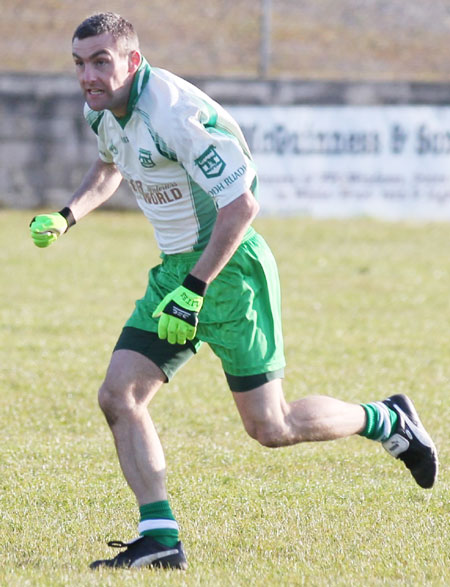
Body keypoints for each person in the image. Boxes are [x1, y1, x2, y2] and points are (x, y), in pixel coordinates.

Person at [29, 12, 438, 571]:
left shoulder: (175, 113)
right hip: (177, 274)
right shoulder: (102, 110)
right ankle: (161, 538)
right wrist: (67, 215)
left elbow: (242, 204)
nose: (89, 76)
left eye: (102, 61)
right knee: (118, 396)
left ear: (133, 60)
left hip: (228, 272)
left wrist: (196, 288)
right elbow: (109, 166)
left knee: (272, 427)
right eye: (79, 64)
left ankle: (387, 419)